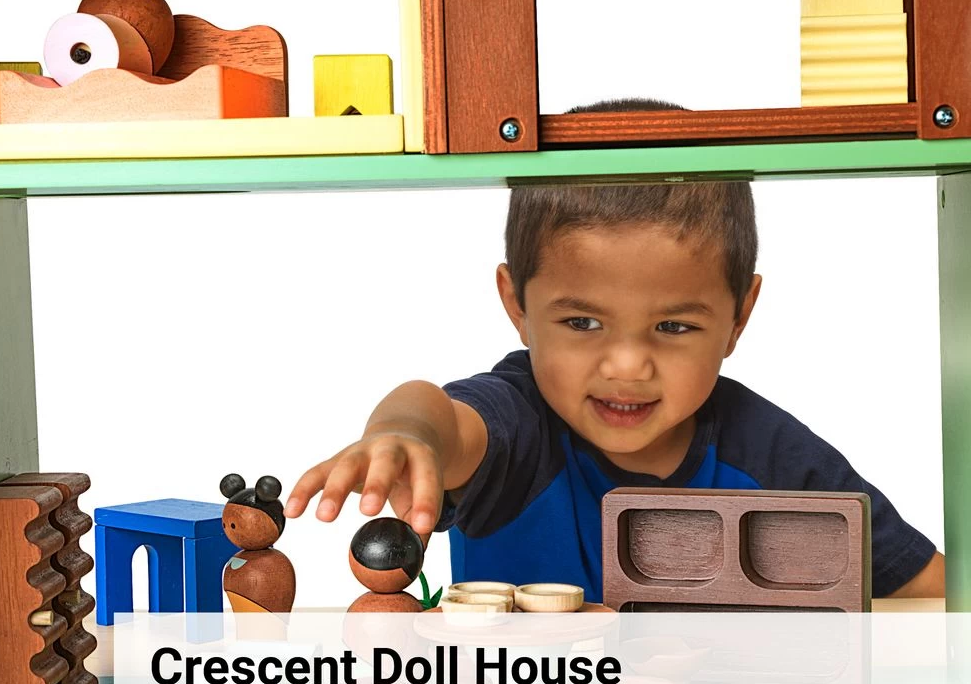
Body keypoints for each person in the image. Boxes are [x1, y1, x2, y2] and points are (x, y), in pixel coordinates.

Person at [284, 98, 945, 600]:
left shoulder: (773, 458)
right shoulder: (518, 426)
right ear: (518, 305)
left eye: (674, 327)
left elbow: (931, 595)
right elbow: (437, 413)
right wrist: (405, 435)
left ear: (739, 317)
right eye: (582, 323)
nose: (628, 366)